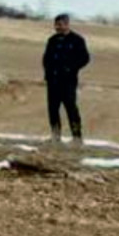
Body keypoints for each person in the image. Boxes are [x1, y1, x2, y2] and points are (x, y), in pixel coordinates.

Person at [42, 13, 90, 144]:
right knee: (52, 108)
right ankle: (55, 135)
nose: (57, 27)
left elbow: (85, 58)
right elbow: (46, 59)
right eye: (56, 25)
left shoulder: (77, 40)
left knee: (71, 108)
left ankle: (77, 136)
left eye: (60, 25)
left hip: (68, 82)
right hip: (53, 81)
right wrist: (48, 74)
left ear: (67, 24)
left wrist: (71, 68)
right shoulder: (52, 40)